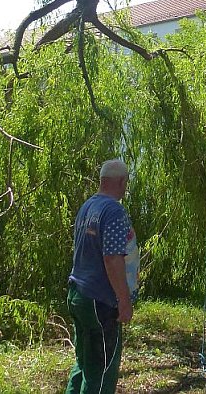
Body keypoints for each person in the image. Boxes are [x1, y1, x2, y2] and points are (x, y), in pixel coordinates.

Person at [65, 159, 140, 394]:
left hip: (78, 294)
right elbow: (112, 258)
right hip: (100, 302)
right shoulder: (114, 211)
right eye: (126, 183)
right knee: (102, 371)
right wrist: (124, 301)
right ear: (122, 181)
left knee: (84, 364)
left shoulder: (88, 207)